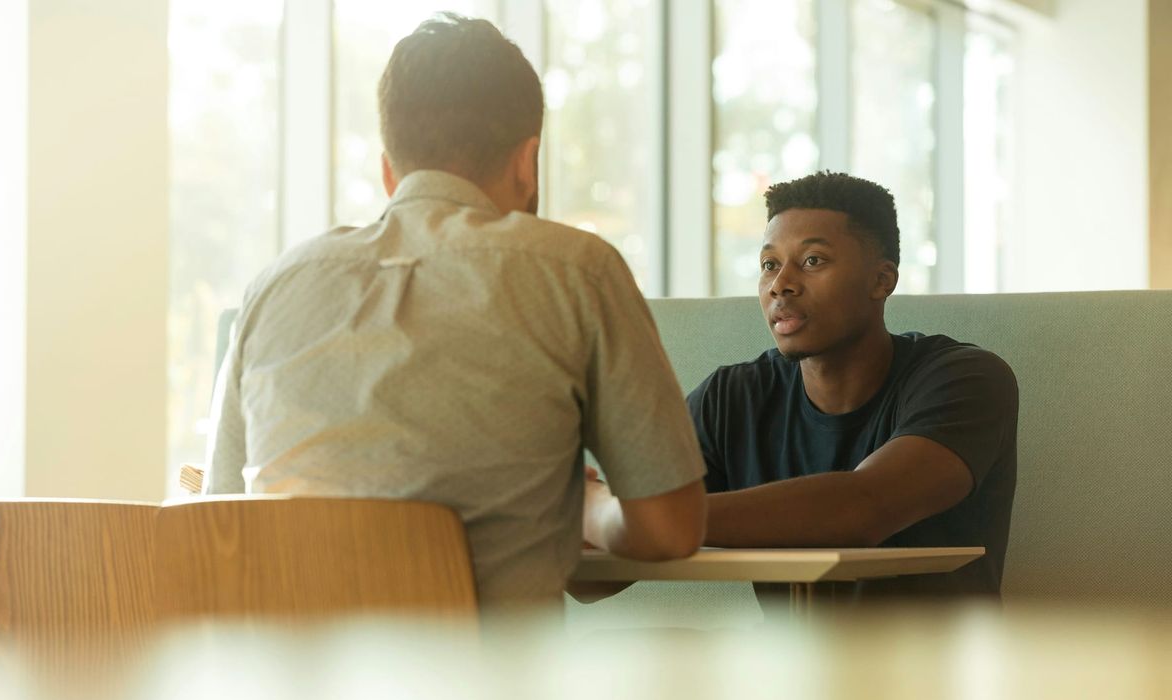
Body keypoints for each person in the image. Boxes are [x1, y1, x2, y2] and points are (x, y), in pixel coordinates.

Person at [203, 13, 706, 611]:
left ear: (390, 170)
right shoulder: (577, 270)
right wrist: (590, 508)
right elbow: (670, 530)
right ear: (528, 162)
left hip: (287, 694)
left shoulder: (274, 287)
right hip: (489, 692)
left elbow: (218, 522)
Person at [686, 171, 1018, 601]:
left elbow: (861, 509)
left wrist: (643, 519)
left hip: (936, 665)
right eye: (769, 264)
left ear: (882, 280)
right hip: (789, 665)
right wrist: (593, 513)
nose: (780, 284)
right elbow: (594, 580)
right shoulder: (730, 398)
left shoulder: (967, 380)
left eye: (812, 261)